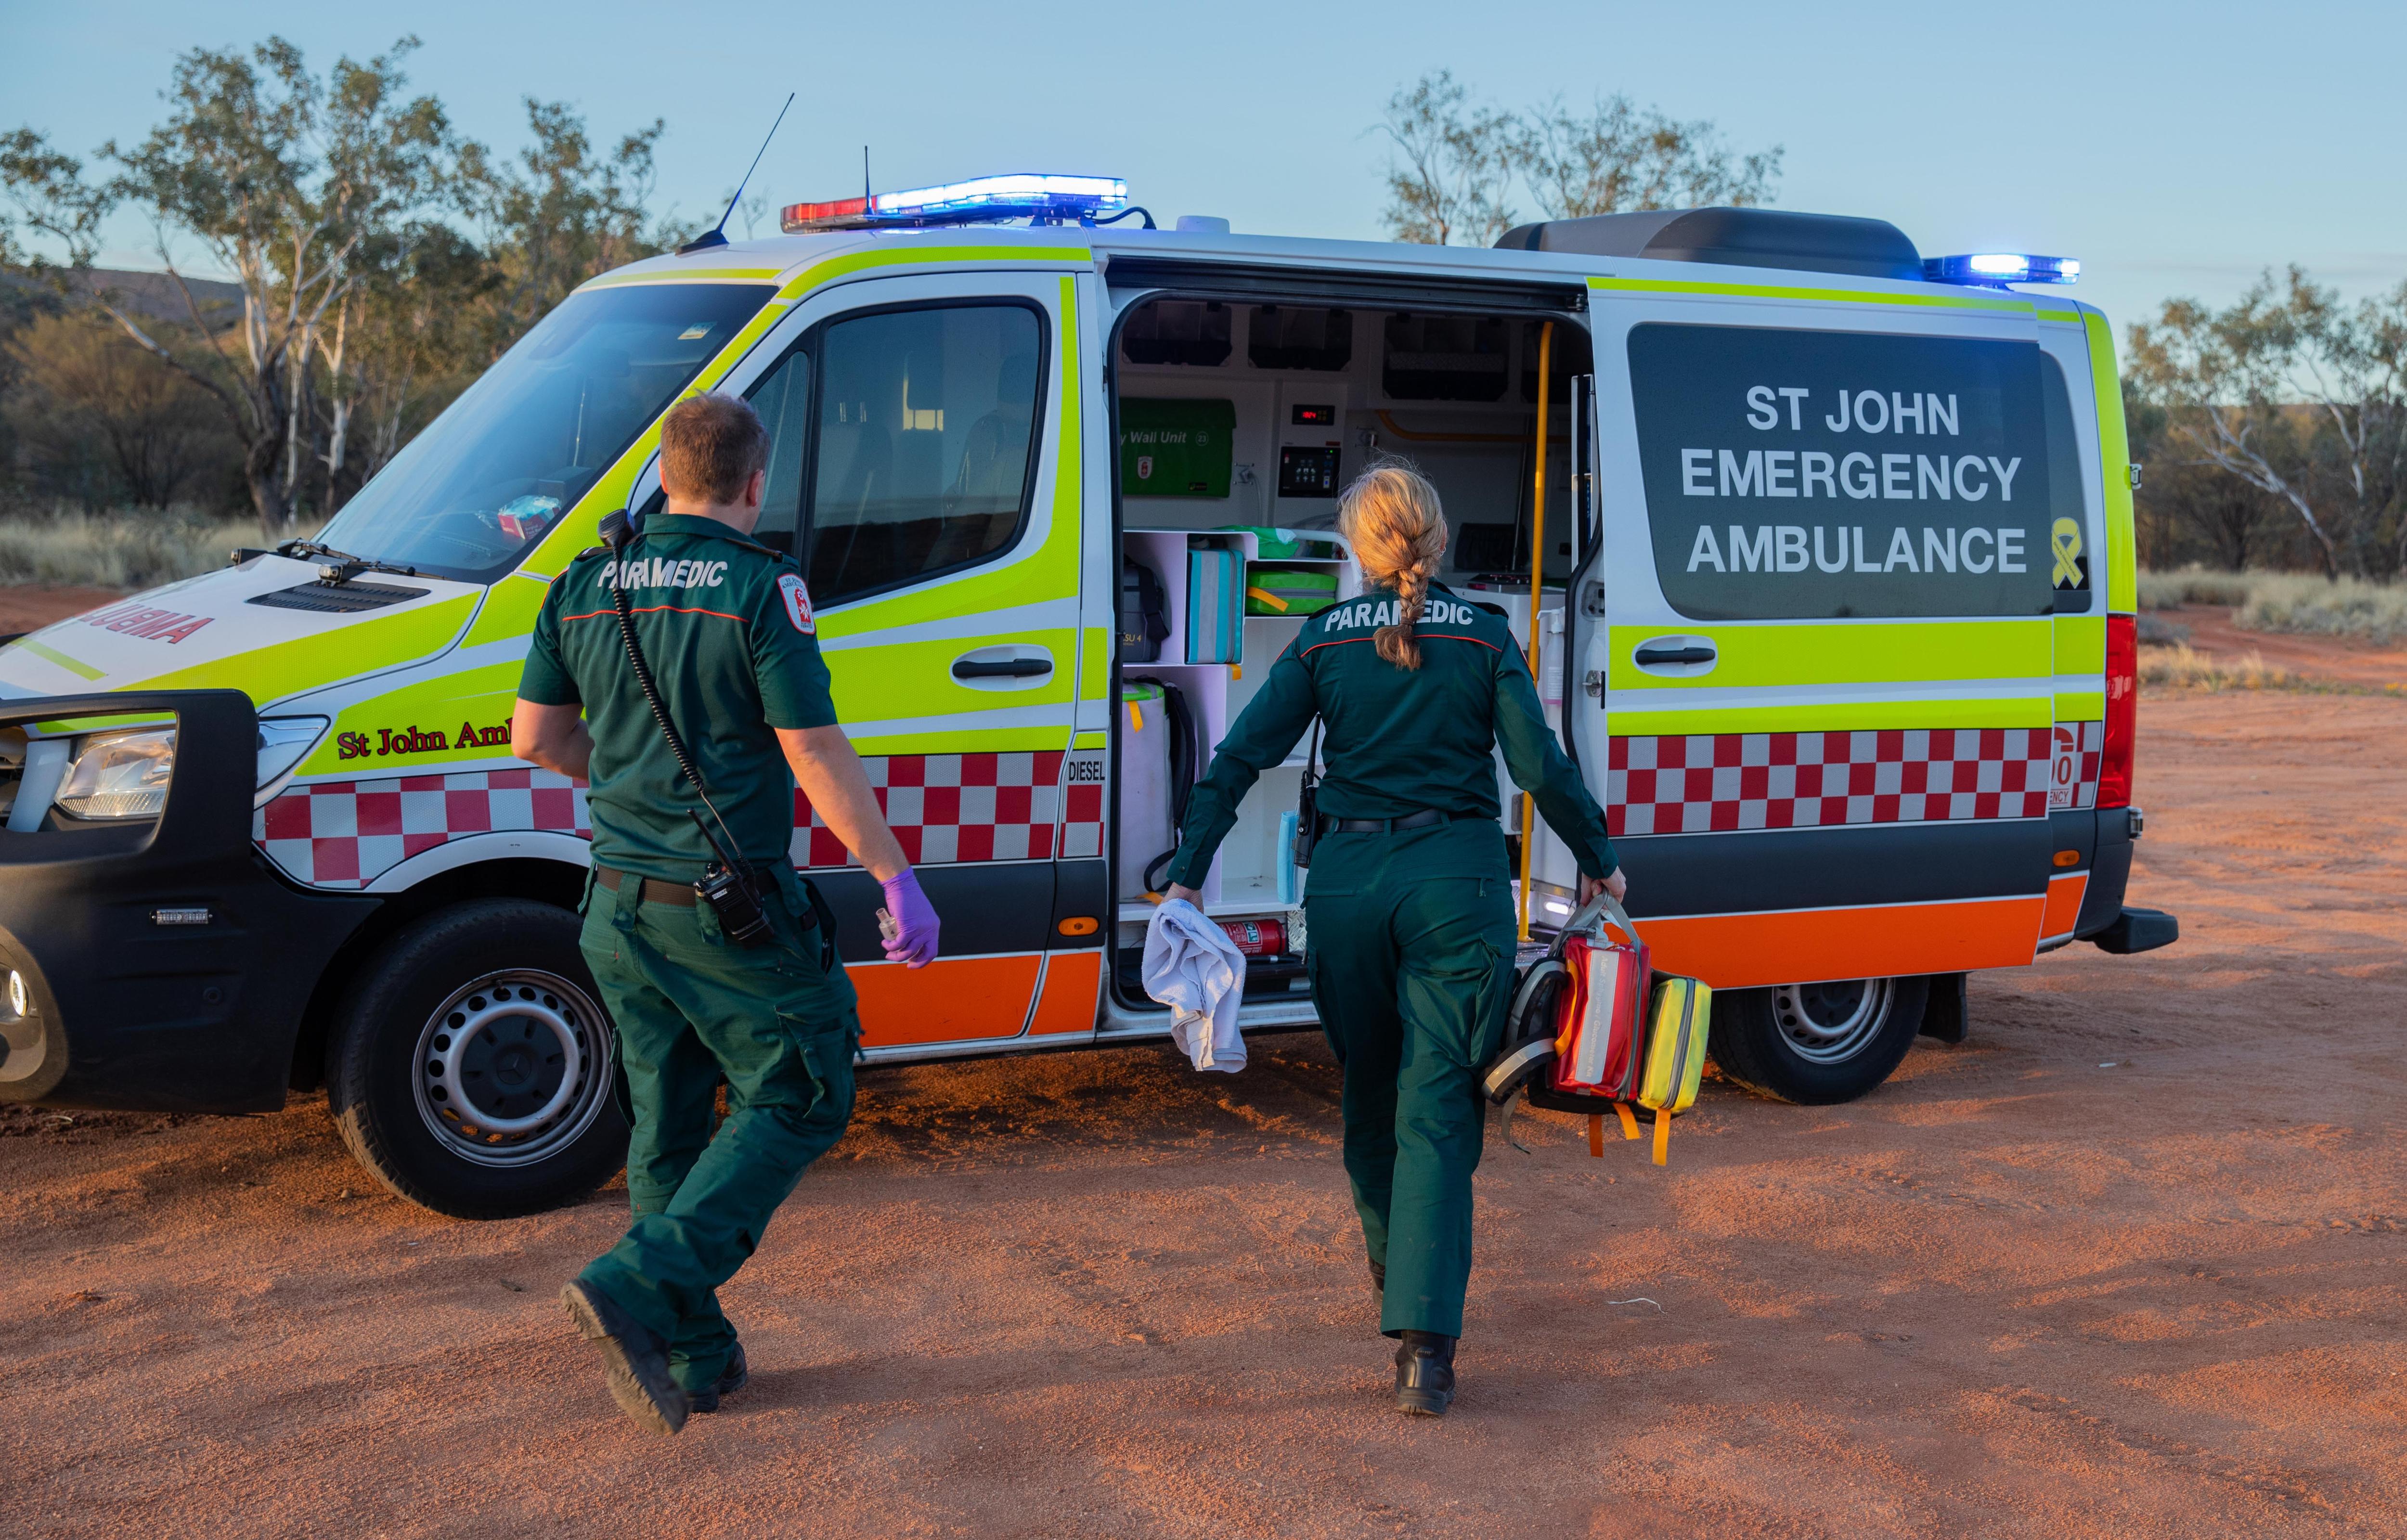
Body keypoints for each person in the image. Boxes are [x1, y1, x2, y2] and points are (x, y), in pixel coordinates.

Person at [512, 394, 940, 1436]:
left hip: (615, 904)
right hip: (726, 908)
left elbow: (533, 738)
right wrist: (893, 876)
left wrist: (628, 787)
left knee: (668, 1117)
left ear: (662, 476)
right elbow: (813, 751)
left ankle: (695, 1354)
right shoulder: (762, 586)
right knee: (805, 1081)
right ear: (755, 483)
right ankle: (634, 1281)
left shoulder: (581, 580)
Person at [1161, 461, 1623, 1418]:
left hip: (1347, 892)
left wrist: (1189, 866)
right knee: (1439, 1109)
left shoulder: (1319, 639)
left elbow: (1241, 755)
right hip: (1456, 890)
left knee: (1373, 1099)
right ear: (1437, 540)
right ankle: (1425, 1347)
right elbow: (1540, 765)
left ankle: (1395, 1276)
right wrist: (1600, 861)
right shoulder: (1488, 635)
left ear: (1360, 548)